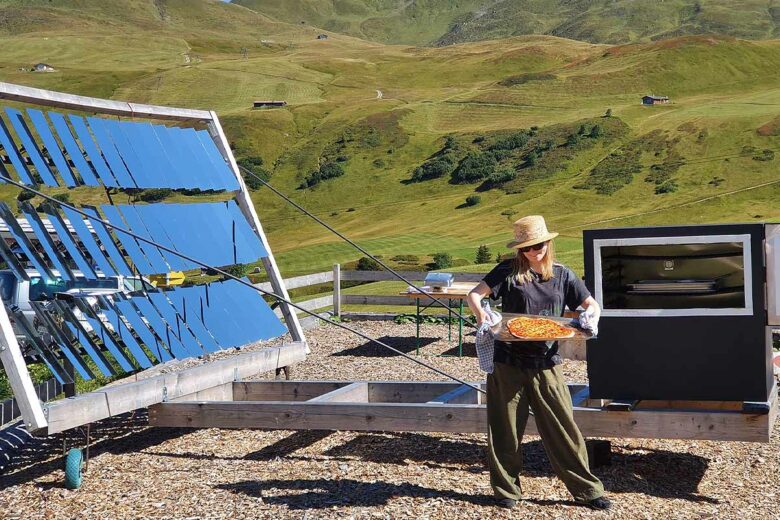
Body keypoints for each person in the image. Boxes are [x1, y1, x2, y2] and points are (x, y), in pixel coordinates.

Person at [466, 215, 611, 511]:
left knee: (563, 428)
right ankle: (506, 490)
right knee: (504, 428)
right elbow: (474, 295)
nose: (535, 252)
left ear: (549, 242)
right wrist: (484, 317)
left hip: (547, 362)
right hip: (508, 362)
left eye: (540, 245)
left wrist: (591, 315)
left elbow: (589, 304)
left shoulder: (563, 274)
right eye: (528, 248)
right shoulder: (508, 271)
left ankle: (587, 490)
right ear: (521, 250)